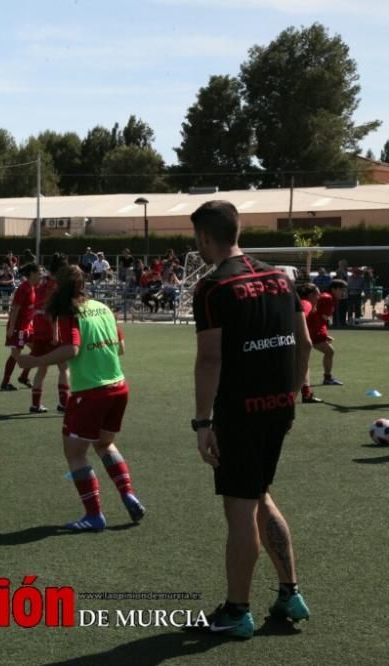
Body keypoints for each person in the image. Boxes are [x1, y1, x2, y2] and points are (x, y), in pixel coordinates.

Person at [189, 200, 311, 639]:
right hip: (278, 407)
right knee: (259, 494)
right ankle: (289, 592)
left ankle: (237, 612)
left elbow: (209, 359)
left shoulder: (213, 288)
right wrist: (292, 395)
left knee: (239, 509)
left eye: (197, 239)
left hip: (239, 413)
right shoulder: (280, 277)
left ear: (205, 237)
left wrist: (202, 422)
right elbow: (305, 344)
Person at [17, 264, 145, 532]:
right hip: (119, 387)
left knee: (75, 454)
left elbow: (72, 349)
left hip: (91, 392)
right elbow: (121, 348)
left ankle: (94, 515)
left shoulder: (68, 313)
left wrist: (35, 360)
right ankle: (127, 493)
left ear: (59, 287)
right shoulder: (103, 307)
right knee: (104, 444)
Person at [26, 253, 71, 413]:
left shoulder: (42, 283)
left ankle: (35, 404)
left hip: (38, 329)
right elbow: (51, 313)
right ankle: (64, 403)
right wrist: (55, 334)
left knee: (42, 367)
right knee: (64, 366)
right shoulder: (56, 286)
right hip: (50, 329)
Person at [0, 263, 40, 391]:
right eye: (39, 273)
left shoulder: (33, 287)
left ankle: (23, 376)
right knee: (16, 354)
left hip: (27, 327)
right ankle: (5, 383)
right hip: (19, 328)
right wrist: (11, 328)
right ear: (32, 274)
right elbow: (15, 309)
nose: (41, 275)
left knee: (38, 349)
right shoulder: (24, 288)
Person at [311, 279, 346, 386]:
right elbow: (317, 317)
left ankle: (327, 378)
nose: (343, 293)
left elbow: (321, 318)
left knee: (329, 351)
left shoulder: (330, 298)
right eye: (341, 290)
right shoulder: (327, 298)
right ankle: (327, 378)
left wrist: (324, 334)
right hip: (312, 330)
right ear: (334, 289)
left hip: (313, 330)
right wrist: (323, 334)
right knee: (329, 351)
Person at [294, 284, 323, 404]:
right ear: (311, 295)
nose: (319, 296)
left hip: (292, 337)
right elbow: (301, 318)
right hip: (294, 338)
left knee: (303, 365)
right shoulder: (306, 303)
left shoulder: (303, 303)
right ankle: (292, 397)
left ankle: (306, 393)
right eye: (318, 294)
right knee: (301, 366)